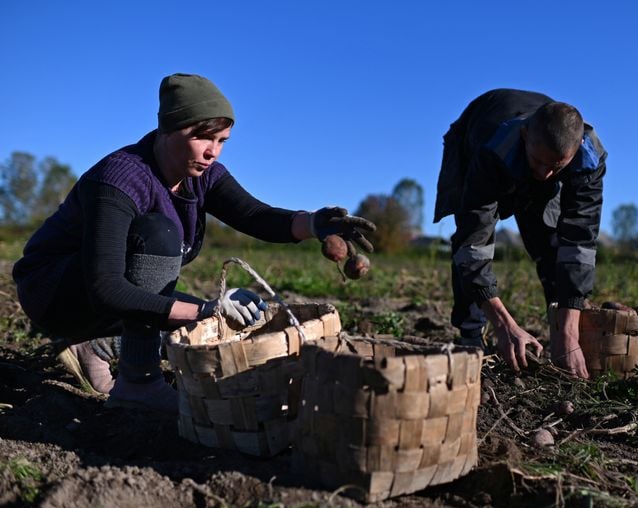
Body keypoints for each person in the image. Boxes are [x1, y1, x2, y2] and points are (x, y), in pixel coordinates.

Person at [12, 73, 375, 412]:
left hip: (109, 297)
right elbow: (105, 288)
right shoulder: (120, 179)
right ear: (168, 128)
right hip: (56, 291)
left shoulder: (201, 175)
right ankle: (138, 384)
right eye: (202, 137)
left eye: (221, 141)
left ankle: (97, 347)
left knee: (208, 327)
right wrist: (208, 309)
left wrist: (312, 223)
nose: (213, 151)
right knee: (162, 238)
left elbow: (254, 215)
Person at [433, 89, 607, 379]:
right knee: (468, 243)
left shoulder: (587, 160)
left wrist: (570, 329)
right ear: (525, 135)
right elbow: (472, 243)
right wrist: (505, 326)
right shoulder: (491, 152)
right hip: (474, 138)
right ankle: (471, 335)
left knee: (551, 241)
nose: (545, 175)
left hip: (533, 150)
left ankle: (562, 335)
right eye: (539, 163)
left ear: (574, 153)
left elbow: (580, 241)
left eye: (556, 167)